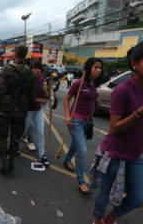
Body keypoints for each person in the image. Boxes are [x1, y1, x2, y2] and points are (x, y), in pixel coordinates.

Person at [92, 40, 143, 224]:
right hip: (115, 153)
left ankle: (109, 219)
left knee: (137, 199)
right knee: (104, 196)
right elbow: (115, 127)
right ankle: (97, 220)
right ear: (134, 64)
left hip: (136, 155)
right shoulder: (122, 91)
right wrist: (141, 112)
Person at [63, 57, 103, 194]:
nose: (98, 70)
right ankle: (81, 182)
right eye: (95, 67)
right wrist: (68, 116)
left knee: (76, 143)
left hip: (88, 122)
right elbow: (67, 99)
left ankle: (67, 160)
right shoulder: (79, 84)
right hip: (76, 121)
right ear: (89, 68)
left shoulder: (95, 84)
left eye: (100, 68)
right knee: (82, 150)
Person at [0, 45, 36, 175]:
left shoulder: (7, 69)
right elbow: (32, 94)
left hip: (5, 109)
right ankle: (12, 161)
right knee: (15, 138)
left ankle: (5, 162)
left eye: (13, 52)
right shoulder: (30, 72)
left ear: (16, 54)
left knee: (1, 136)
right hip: (21, 109)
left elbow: (0, 90)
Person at [21, 60, 50, 167]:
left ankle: (42, 155)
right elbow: (28, 96)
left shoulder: (42, 79)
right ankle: (18, 143)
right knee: (24, 129)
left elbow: (43, 90)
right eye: (33, 69)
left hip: (37, 110)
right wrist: (39, 100)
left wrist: (47, 93)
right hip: (28, 109)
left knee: (41, 132)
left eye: (38, 70)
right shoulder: (27, 80)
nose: (36, 72)